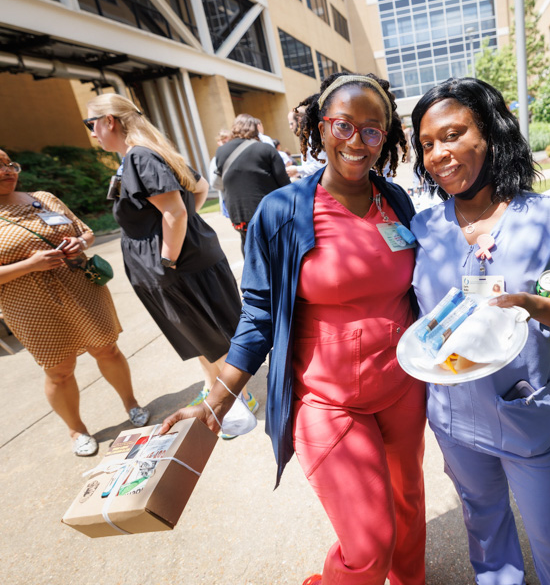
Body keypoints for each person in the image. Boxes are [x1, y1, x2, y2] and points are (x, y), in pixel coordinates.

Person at [160, 73, 424, 585]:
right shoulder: (282, 211)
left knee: (408, 504)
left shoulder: (395, 202)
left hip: (402, 388)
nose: (357, 141)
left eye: (374, 130)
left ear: (388, 138)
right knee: (369, 543)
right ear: (319, 127)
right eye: (343, 125)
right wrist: (216, 398)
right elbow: (258, 313)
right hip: (327, 399)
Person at [409, 78, 550, 585]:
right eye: (427, 143)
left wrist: (532, 304)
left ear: (492, 133)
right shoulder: (423, 229)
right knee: (486, 542)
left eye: (454, 134)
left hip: (530, 420)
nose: (439, 153)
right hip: (455, 424)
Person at [84, 94, 257, 429]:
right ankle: (213, 388)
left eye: (91, 123)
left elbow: (176, 210)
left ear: (109, 121)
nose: (92, 132)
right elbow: (200, 187)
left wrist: (167, 258)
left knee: (211, 333)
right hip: (180, 264)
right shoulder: (145, 155)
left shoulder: (140, 157)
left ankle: (237, 395)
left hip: (179, 267)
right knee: (197, 334)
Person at [0, 148, 149, 456]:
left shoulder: (43, 197)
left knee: (107, 348)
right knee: (59, 369)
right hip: (30, 305)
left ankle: (132, 404)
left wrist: (79, 243)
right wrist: (30, 264)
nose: (8, 171)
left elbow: (86, 232)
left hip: (81, 287)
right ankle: (76, 430)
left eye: (9, 164)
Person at [214, 114, 290, 256]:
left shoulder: (221, 151)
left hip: (239, 214)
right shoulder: (266, 149)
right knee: (276, 251)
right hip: (267, 212)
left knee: (249, 247)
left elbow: (219, 182)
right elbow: (284, 183)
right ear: (255, 129)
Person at [209, 128, 232, 219]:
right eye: (224, 142)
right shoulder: (216, 160)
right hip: (228, 198)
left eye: (229, 141)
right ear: (219, 143)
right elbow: (215, 184)